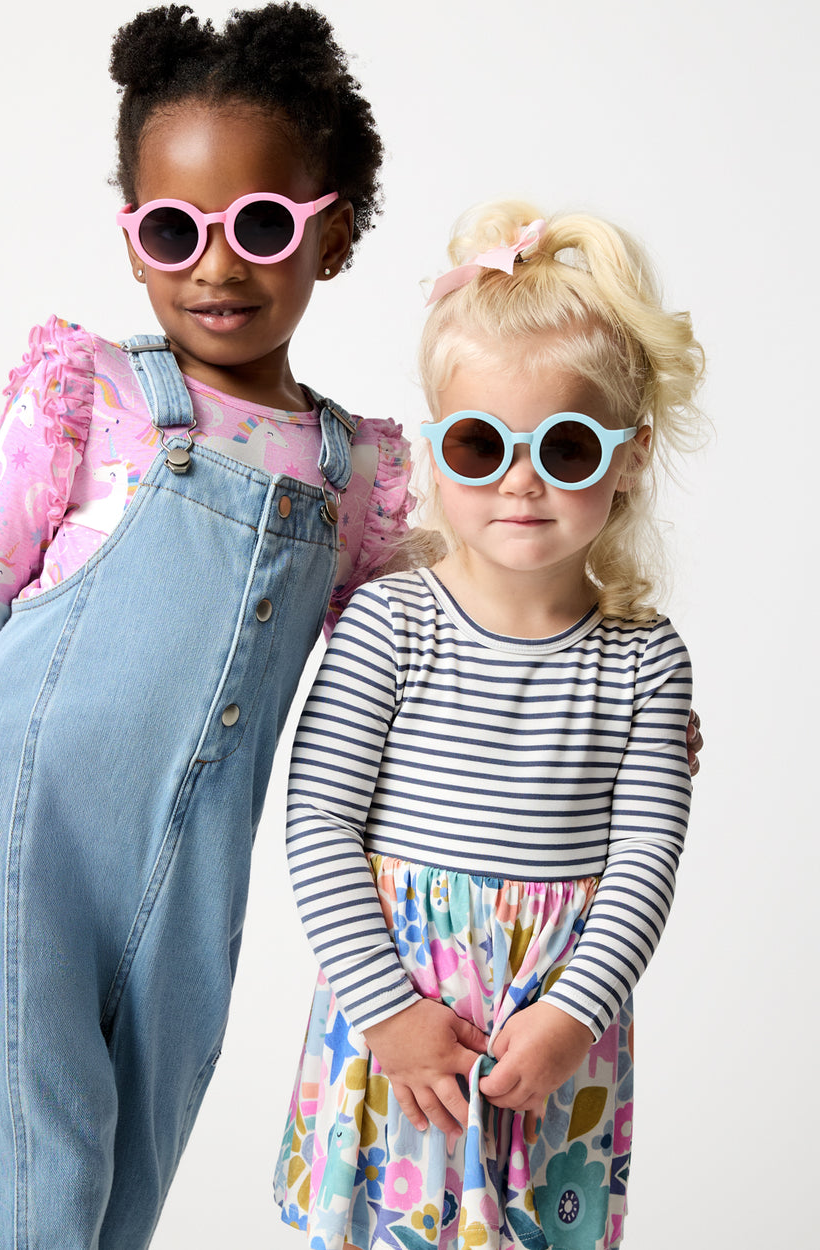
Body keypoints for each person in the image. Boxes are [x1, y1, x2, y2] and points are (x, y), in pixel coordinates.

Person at [0, 5, 414, 1246]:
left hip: (198, 876)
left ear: (334, 231)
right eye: (173, 230)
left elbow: (408, 669)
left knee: (121, 1188)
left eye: (261, 226)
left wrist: (606, 702)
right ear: (134, 242)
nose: (217, 267)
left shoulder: (358, 475)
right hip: (15, 832)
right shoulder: (92, 394)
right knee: (25, 1180)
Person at [274, 201, 705, 1249]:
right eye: (480, 443)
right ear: (434, 449)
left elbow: (646, 858)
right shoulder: (389, 624)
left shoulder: (645, 661)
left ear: (630, 455)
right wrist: (388, 1013)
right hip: (401, 1036)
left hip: (551, 1041)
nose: (521, 479)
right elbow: (319, 821)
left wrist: (573, 1015)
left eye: (566, 446)